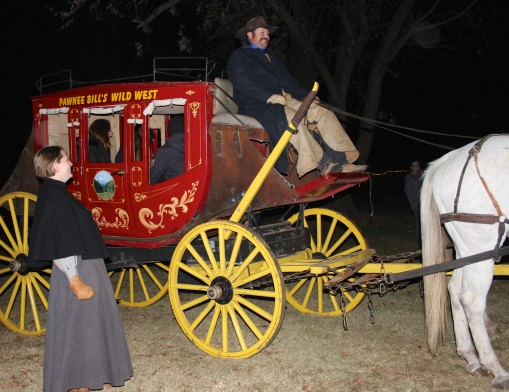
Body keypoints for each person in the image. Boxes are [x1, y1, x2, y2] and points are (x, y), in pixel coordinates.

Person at [28, 146, 133, 392]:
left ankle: (97, 372)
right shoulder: (55, 197)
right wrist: (75, 278)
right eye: (65, 159)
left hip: (85, 265)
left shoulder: (56, 193)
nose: (71, 163)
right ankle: (79, 382)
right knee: (81, 327)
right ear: (54, 166)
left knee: (92, 323)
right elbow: (61, 240)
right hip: (76, 269)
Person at [227, 16, 367, 177]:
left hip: (283, 100)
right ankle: (324, 165)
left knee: (321, 111)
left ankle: (342, 162)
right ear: (249, 35)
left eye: (267, 32)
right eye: (262, 32)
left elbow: (290, 83)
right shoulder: (238, 57)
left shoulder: (272, 57)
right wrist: (268, 97)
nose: (266, 35)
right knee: (294, 118)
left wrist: (306, 96)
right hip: (257, 105)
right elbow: (241, 83)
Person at [150, 115, 185, 184]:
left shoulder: (165, 151)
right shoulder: (193, 147)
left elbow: (152, 178)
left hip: (170, 188)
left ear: (169, 130)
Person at [404, 159, 423, 247]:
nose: (417, 168)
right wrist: (411, 204)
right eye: (415, 166)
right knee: (418, 221)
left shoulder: (422, 175)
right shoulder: (409, 177)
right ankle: (419, 240)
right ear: (411, 168)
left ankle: (424, 237)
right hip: (415, 203)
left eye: (418, 165)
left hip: (423, 202)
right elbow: (407, 191)